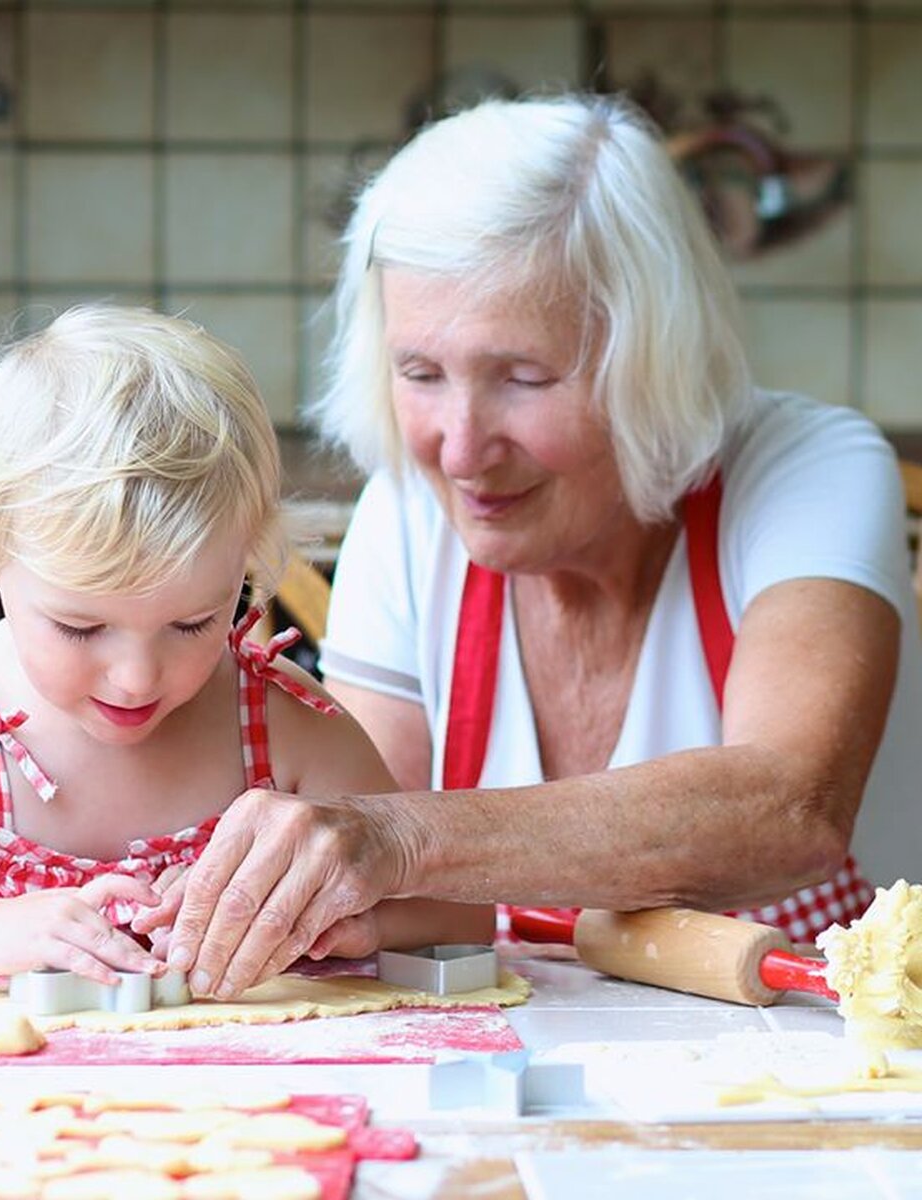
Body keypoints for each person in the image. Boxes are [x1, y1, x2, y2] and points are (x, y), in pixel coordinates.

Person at [140, 93, 922, 1003]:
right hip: (525, 1050)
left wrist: (400, 839)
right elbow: (363, 836)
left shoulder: (809, 470)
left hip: (837, 1063)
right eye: (420, 374)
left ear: (653, 361)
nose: (462, 451)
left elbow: (789, 809)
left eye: (524, 378)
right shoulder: (411, 510)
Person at [0, 304, 487, 994]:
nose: (136, 678)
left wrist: (345, 920)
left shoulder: (277, 721)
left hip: (220, 1111)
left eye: (195, 623)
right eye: (80, 627)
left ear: (246, 567)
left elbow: (463, 915)